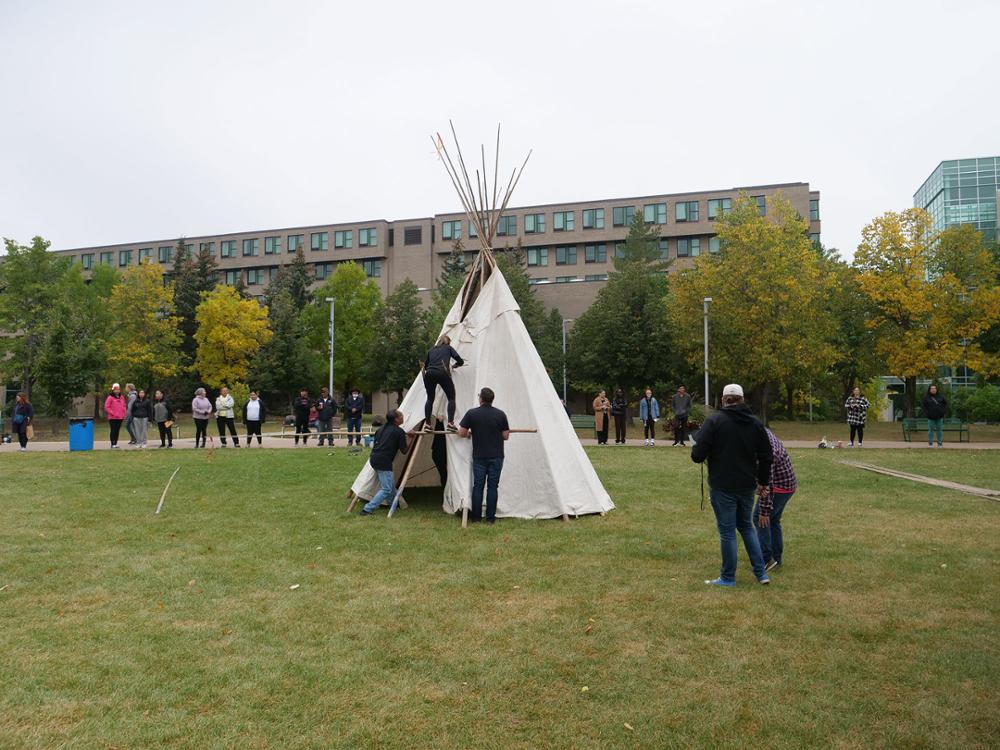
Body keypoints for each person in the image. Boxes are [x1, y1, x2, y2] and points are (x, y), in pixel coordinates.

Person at [691, 383, 773, 587]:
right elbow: (766, 456)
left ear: (724, 400)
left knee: (727, 531)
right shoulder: (755, 423)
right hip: (747, 484)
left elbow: (697, 455)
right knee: (747, 527)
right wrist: (763, 481)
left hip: (723, 484)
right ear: (742, 399)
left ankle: (728, 577)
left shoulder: (715, 421)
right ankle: (761, 573)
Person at [459, 387, 510, 524]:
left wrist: (471, 433)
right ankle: (490, 519)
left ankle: (476, 518)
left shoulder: (472, 413)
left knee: (478, 486)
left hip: (479, 456)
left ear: (480, 398)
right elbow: (505, 436)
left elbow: (462, 432)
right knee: (493, 487)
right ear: (492, 399)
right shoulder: (500, 414)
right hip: (497, 455)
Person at [753, 428, 797, 572]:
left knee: (760, 518)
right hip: (788, 484)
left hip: (780, 486)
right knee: (774, 521)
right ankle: (777, 559)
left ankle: (767, 559)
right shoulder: (761, 432)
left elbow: (768, 484)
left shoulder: (768, 451)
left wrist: (764, 511)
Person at [360, 410, 417, 515]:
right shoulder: (398, 431)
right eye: (401, 416)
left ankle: (393, 505)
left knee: (390, 485)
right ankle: (367, 509)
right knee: (386, 488)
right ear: (396, 419)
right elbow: (404, 451)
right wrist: (410, 438)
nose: (403, 417)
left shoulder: (380, 429)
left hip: (374, 458)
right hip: (383, 461)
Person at [423, 335, 464, 432]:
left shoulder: (431, 350)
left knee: (429, 398)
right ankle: (450, 423)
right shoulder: (448, 348)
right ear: (447, 343)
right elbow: (460, 360)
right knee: (451, 397)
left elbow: (426, 365)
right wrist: (456, 365)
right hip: (442, 372)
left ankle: (427, 424)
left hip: (429, 373)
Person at [104, 383, 127, 449]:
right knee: (113, 430)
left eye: (118, 389)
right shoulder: (110, 397)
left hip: (120, 417)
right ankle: (112, 443)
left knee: (117, 430)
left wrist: (124, 413)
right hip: (113, 418)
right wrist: (113, 413)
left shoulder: (122, 397)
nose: (117, 391)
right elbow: (106, 407)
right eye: (116, 389)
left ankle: (116, 443)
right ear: (113, 390)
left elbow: (124, 405)